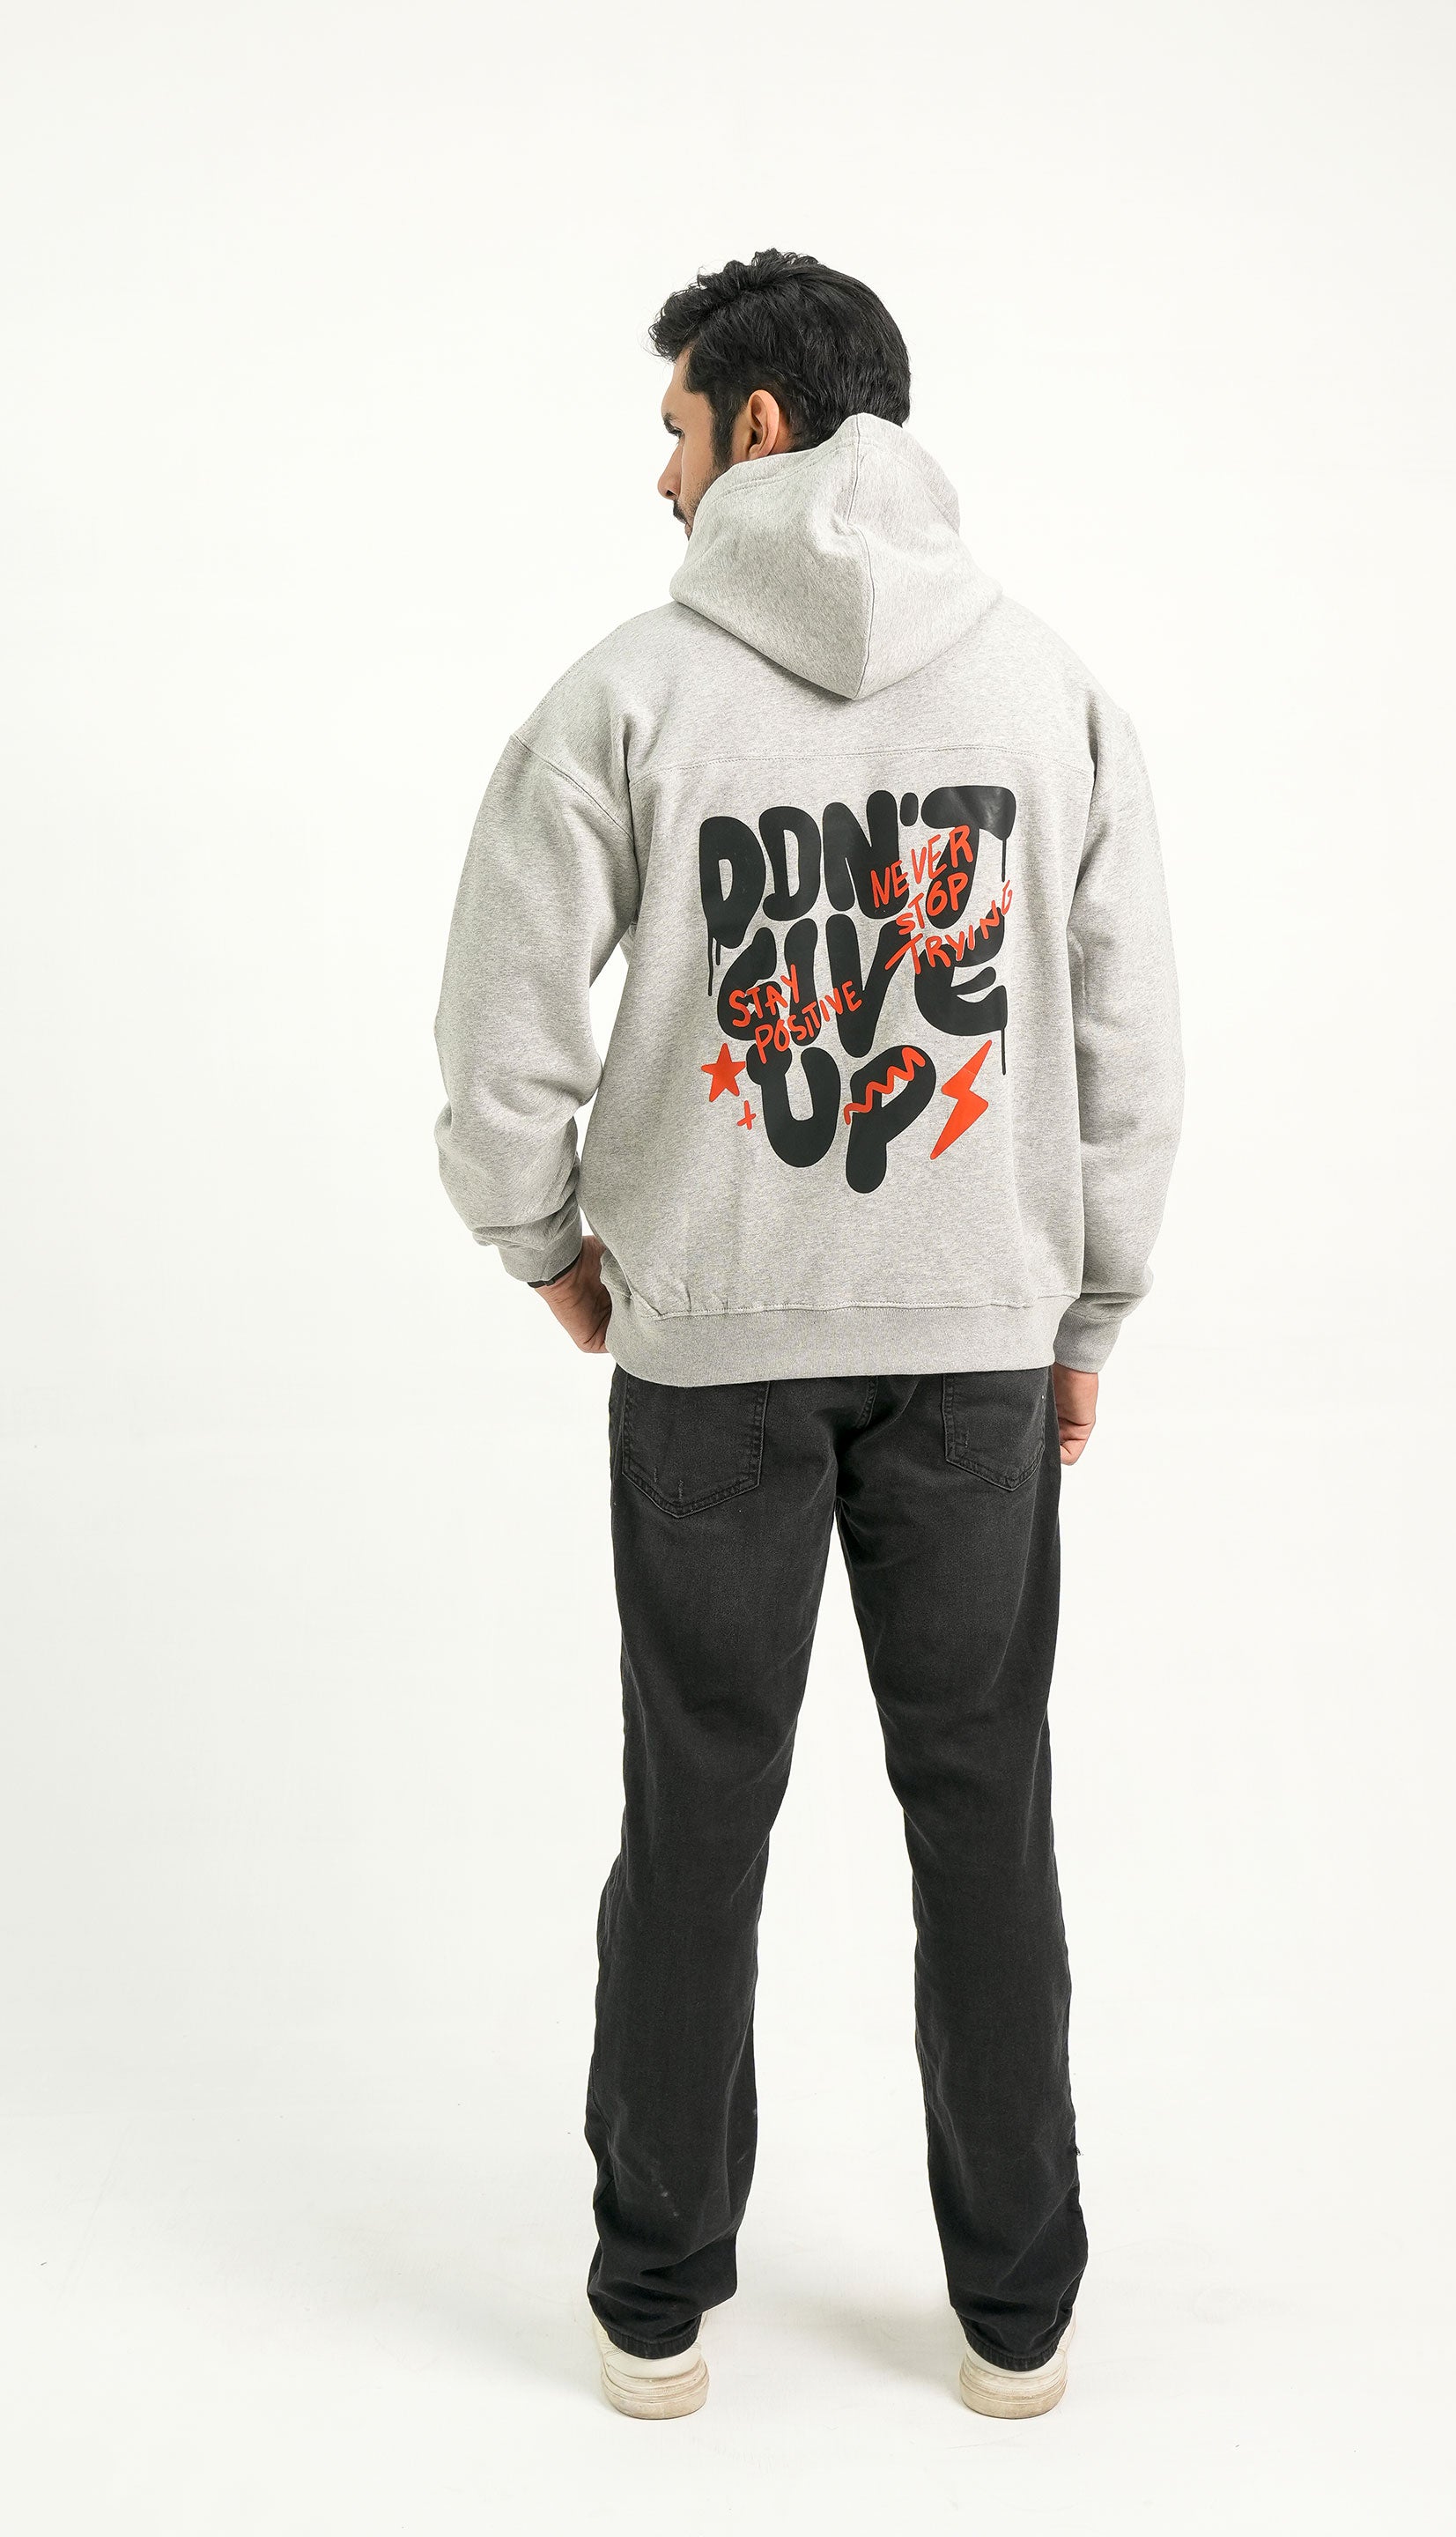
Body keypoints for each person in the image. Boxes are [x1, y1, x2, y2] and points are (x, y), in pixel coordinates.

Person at [432, 249, 1184, 2421]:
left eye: (675, 426)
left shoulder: (625, 697)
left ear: (759, 423)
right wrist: (1084, 1303)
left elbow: (500, 1030)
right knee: (985, 1814)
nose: (660, 473)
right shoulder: (1048, 692)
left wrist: (544, 1241)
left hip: (708, 1352)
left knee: (697, 1813)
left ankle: (653, 2305)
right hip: (976, 1351)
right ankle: (1016, 2319)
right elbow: (1126, 1043)